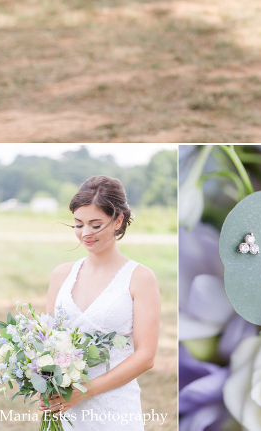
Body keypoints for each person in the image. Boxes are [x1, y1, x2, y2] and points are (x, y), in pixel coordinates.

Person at [42, 176, 161, 430]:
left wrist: (83, 391)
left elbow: (145, 356)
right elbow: (46, 343)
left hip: (115, 409)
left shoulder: (140, 278)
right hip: (63, 407)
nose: (85, 233)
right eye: (78, 224)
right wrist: (42, 384)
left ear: (118, 220)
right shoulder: (61, 274)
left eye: (95, 225)